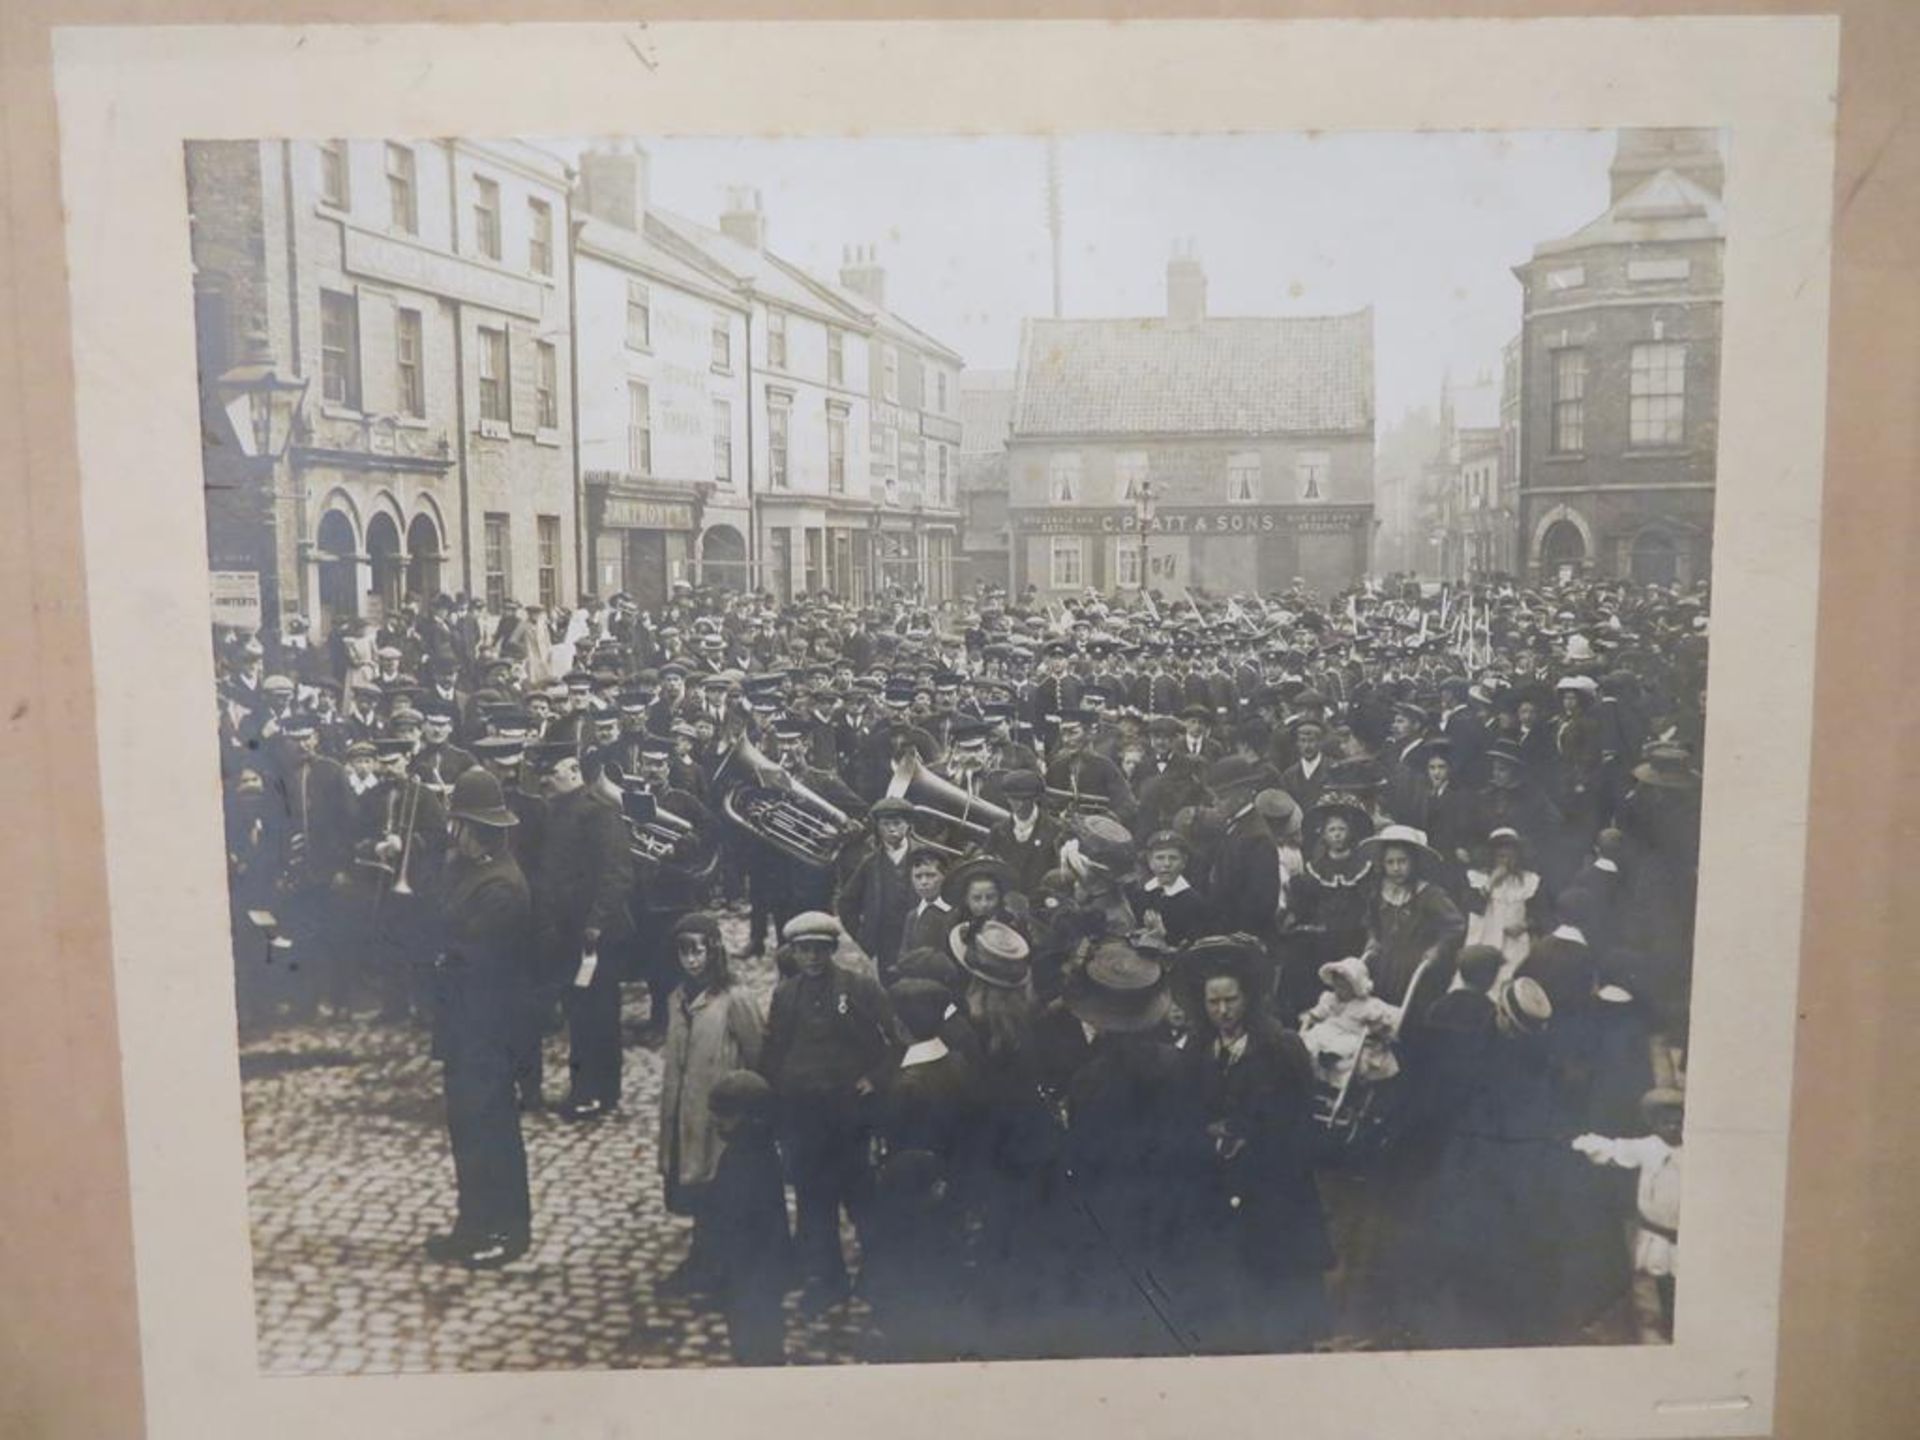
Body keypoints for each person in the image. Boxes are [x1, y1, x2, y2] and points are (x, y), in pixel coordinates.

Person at [1183, 937, 1333, 1352]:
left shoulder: (1282, 1050)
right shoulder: (1197, 1050)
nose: (1223, 1011)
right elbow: (1186, 1110)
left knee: (1278, 1292)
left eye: (1231, 1000)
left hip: (1273, 1191)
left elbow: (1302, 1125)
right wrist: (1207, 1134)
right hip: (1218, 1188)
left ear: (1248, 997)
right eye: (1213, 1002)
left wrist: (1253, 1139)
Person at [758, 911, 903, 1314]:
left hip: (850, 1116)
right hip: (804, 1118)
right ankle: (826, 1280)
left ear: (832, 950)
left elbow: (898, 1039)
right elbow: (772, 1054)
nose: (812, 958)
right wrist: (775, 1105)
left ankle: (879, 1274)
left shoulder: (859, 989)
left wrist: (876, 1078)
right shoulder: (785, 996)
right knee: (812, 1202)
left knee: (862, 1198)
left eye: (819, 950)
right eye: (804, 950)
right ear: (794, 953)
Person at [423, 768, 533, 1269]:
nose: (452, 834)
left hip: (489, 1029)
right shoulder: (465, 871)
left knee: (493, 1132)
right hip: (462, 1026)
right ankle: (472, 1223)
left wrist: (441, 956)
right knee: (467, 1130)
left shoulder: (501, 886)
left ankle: (507, 1230)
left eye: (458, 825)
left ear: (477, 828)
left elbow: (472, 957)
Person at [658, 911, 765, 1298]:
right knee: (698, 1192)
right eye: (684, 953)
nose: (692, 960)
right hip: (685, 1117)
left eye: (698, 951)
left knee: (723, 1193)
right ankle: (702, 1261)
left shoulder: (734, 999)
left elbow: (757, 1055)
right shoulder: (676, 1000)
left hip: (721, 1120)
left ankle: (724, 1271)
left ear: (713, 951)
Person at [535, 748, 636, 1120]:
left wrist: (596, 922)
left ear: (574, 771)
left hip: (596, 936)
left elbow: (617, 874)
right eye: (543, 772)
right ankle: (591, 1089)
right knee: (580, 1014)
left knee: (598, 1015)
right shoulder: (556, 811)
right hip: (567, 932)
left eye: (552, 770)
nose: (546, 778)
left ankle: (595, 1092)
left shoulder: (599, 812)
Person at [1572, 1088, 1684, 1342]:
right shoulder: (1648, 1148)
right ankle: (1663, 1325)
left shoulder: (1691, 1150)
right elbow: (1614, 1150)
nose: (1673, 1127)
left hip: (1685, 1234)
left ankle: (1678, 1325)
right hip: (1658, 1234)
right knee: (1659, 1281)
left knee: (1682, 1286)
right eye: (1666, 1121)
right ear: (1654, 1124)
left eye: (1678, 1121)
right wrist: (1582, 1142)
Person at [700, 1071, 793, 1365]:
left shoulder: (747, 1160)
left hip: (752, 1271)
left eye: (726, 1116)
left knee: (755, 1340)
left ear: (752, 1118)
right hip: (751, 1270)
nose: (718, 1122)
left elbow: (740, 1219)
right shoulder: (751, 1152)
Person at [1357, 824, 1466, 1015]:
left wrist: (1438, 948)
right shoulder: (1379, 892)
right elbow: (1371, 921)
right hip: (1384, 965)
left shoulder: (1430, 895)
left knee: (1410, 1015)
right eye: (1390, 862)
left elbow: (1455, 925)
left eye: (1402, 861)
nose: (1396, 868)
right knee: (1380, 1013)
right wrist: (1373, 939)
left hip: (1416, 966)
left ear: (1413, 863)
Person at [835, 797, 921, 982]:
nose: (892, 829)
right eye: (885, 824)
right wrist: (863, 935)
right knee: (890, 986)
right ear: (878, 827)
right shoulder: (870, 863)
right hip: (886, 941)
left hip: (919, 938)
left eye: (897, 823)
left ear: (908, 825)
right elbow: (846, 902)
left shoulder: (925, 857)